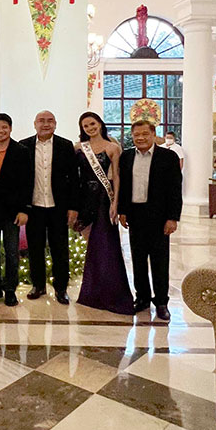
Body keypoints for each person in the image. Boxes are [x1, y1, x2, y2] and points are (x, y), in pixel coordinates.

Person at [119, 120, 182, 322]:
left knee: (159, 261)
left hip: (159, 217)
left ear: (154, 134)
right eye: (137, 135)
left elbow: (175, 189)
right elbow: (123, 186)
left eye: (145, 134)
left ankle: (161, 302)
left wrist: (173, 218)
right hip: (135, 215)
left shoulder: (168, 157)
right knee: (137, 260)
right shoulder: (127, 156)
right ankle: (142, 298)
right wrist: (123, 211)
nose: (141, 138)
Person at [74, 111, 134, 316]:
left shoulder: (112, 147)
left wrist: (115, 202)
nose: (90, 128)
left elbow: (116, 176)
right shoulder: (79, 148)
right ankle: (92, 293)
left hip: (103, 199)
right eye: (85, 126)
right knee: (92, 246)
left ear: (99, 124)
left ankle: (112, 293)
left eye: (92, 124)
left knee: (106, 245)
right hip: (84, 199)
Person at [20, 110, 79, 305]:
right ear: (34, 123)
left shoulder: (65, 145)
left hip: (58, 207)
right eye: (41, 121)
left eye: (50, 121)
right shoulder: (24, 146)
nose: (46, 124)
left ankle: (61, 288)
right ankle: (38, 285)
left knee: (60, 249)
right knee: (35, 248)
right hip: (34, 206)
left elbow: (74, 179)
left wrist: (73, 207)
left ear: (56, 124)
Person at [0, 113, 32, 306]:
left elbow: (27, 183)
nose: (1, 131)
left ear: (10, 129)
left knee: (11, 251)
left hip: (13, 211)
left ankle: (10, 289)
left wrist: (24, 210)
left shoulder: (21, 151)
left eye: (5, 127)